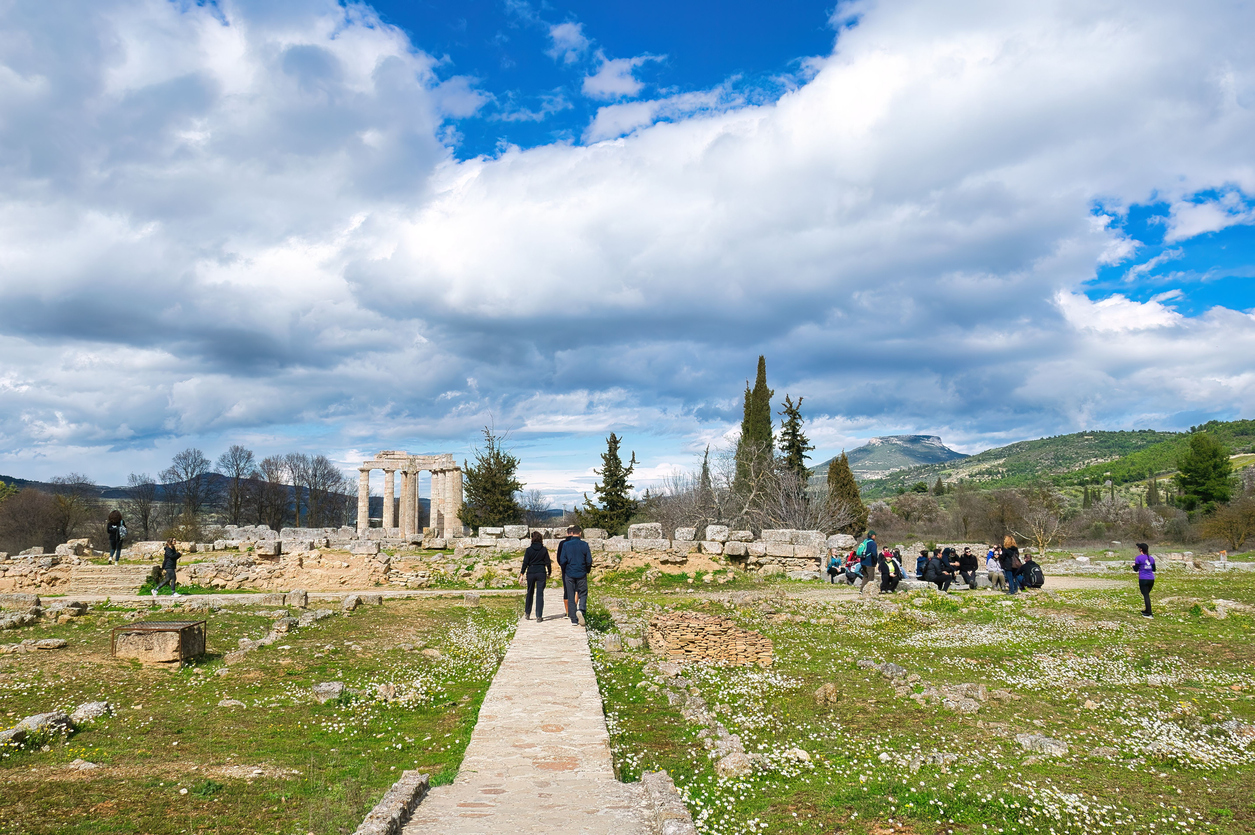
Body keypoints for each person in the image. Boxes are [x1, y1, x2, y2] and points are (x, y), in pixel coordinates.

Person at [557, 525, 592, 626]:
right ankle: (581, 609)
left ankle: (573, 619)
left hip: (569, 573)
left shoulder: (566, 545)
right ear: (580, 533)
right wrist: (587, 570)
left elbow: (562, 560)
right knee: (583, 593)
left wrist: (565, 569)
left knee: (571, 595)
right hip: (581, 572)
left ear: (572, 533)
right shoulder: (584, 545)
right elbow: (589, 560)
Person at [520, 531, 551, 621]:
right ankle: (539, 615)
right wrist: (549, 572)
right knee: (540, 594)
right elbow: (548, 562)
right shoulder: (544, 550)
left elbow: (525, 563)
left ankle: (527, 612)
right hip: (541, 572)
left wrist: (521, 574)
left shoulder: (529, 550)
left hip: (531, 571)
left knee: (530, 592)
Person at [556, 526, 577, 617]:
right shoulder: (577, 543)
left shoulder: (562, 543)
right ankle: (574, 610)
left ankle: (568, 611)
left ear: (567, 533)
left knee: (566, 590)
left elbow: (559, 558)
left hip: (566, 569)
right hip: (576, 568)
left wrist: (563, 566)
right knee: (576, 589)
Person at [1134, 542, 1156, 618]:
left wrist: (1133, 566)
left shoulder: (1138, 558)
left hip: (1143, 579)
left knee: (1146, 595)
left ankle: (1149, 613)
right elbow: (1154, 569)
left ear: (1141, 549)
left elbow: (1136, 569)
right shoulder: (1151, 558)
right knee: (1146, 595)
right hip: (1151, 579)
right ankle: (1147, 610)